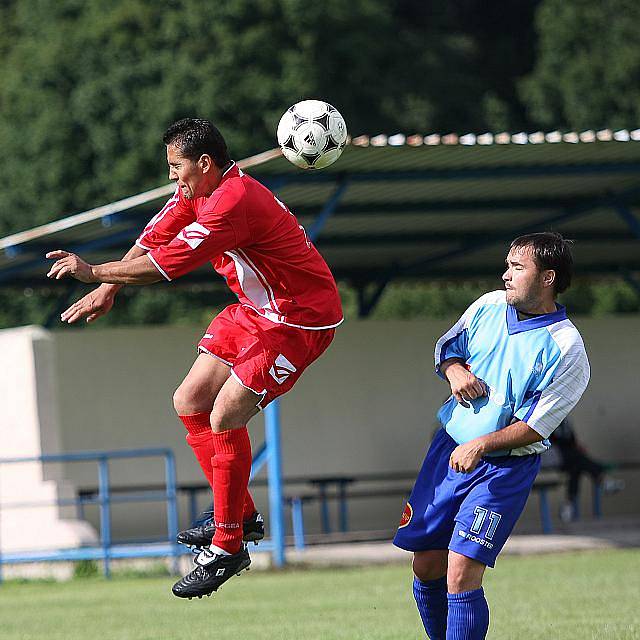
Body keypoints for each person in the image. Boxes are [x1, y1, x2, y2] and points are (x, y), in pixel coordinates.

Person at [46, 118, 343, 598]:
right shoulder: (201, 190)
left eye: (176, 167)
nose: (172, 177)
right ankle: (241, 515)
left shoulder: (232, 203)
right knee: (189, 401)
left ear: (205, 163)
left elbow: (167, 265)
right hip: (256, 310)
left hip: (299, 320)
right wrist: (107, 289)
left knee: (226, 413)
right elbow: (156, 235)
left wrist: (94, 270)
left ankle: (228, 547)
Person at [393, 232, 590, 639]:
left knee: (461, 570)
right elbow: (448, 346)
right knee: (426, 564)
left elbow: (537, 425)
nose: (506, 275)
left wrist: (481, 444)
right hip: (448, 453)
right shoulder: (487, 305)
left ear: (548, 277)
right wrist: (455, 371)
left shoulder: (567, 347)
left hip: (503, 469)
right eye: (507, 265)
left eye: (518, 268)